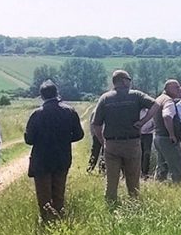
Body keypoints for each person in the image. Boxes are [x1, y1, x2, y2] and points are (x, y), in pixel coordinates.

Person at [91, 70, 156, 204]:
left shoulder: (105, 98)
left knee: (111, 181)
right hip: (132, 143)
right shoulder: (136, 95)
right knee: (133, 180)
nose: (130, 82)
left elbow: (96, 125)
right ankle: (134, 205)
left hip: (112, 145)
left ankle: (111, 206)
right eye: (129, 79)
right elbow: (156, 105)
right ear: (123, 81)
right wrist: (143, 122)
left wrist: (103, 142)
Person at [24, 80, 84, 223]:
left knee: (44, 196)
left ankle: (46, 222)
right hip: (62, 158)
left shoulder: (36, 114)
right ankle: (59, 221)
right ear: (57, 93)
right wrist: (64, 139)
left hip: (41, 160)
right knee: (59, 193)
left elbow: (29, 139)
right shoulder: (69, 111)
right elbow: (79, 134)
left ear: (42, 96)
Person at [153, 79, 181, 183]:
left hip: (158, 136)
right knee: (177, 166)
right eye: (176, 87)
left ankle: (158, 187)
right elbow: (167, 116)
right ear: (167, 88)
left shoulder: (159, 99)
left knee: (162, 166)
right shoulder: (168, 101)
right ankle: (180, 189)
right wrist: (172, 135)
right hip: (167, 139)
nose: (179, 90)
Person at [87, 107, 105, 173]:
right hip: (100, 133)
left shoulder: (95, 110)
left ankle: (92, 168)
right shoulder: (97, 111)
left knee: (96, 151)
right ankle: (100, 169)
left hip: (97, 134)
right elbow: (92, 123)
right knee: (99, 151)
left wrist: (93, 134)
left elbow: (91, 124)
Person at [138, 108, 155, 179]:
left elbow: (155, 125)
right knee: (139, 153)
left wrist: (150, 129)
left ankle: (145, 173)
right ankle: (138, 172)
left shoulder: (151, 111)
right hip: (139, 134)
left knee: (147, 153)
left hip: (148, 134)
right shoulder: (137, 111)